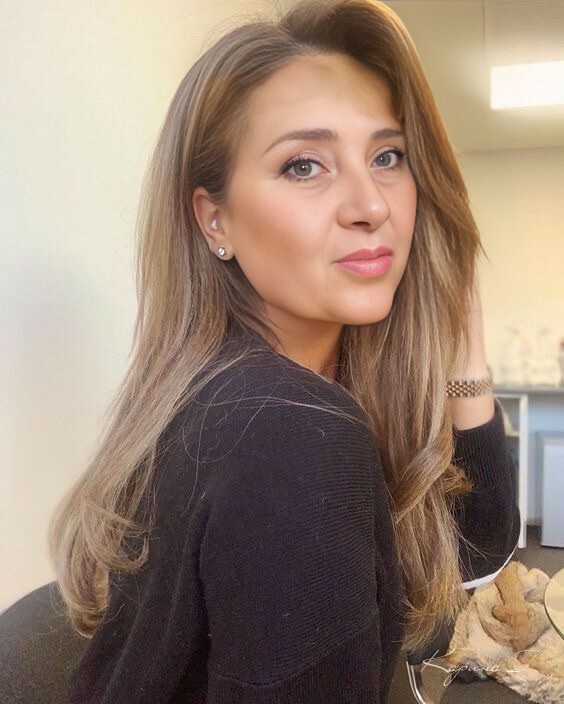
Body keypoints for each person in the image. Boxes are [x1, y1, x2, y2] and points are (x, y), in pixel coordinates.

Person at [48, 1, 520, 702]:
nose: (372, 205)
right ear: (215, 220)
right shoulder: (286, 431)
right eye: (304, 165)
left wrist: (463, 350)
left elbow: (473, 551)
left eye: (387, 157)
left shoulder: (268, 393)